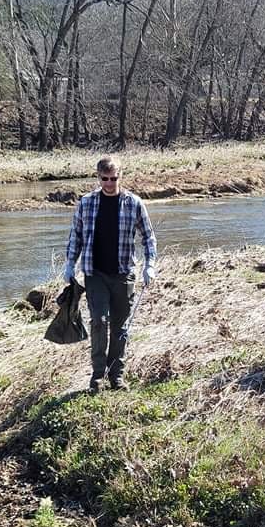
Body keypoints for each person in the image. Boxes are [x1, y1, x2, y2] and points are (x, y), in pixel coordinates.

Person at [64, 156, 157, 392]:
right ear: (98, 177)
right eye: (104, 178)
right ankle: (97, 377)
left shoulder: (134, 203)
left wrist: (150, 264)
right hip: (94, 273)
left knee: (120, 326)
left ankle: (117, 376)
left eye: (113, 178)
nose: (109, 183)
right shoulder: (86, 203)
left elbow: (148, 237)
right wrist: (69, 264)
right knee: (98, 321)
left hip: (123, 274)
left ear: (120, 177)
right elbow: (76, 236)